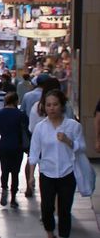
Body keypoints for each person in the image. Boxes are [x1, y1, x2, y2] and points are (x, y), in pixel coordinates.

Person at [29, 89, 86, 238]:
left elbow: (82, 147)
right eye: (48, 105)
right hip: (47, 173)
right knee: (47, 208)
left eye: (55, 104)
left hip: (67, 173)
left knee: (64, 210)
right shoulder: (40, 128)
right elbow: (34, 153)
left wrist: (68, 141)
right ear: (44, 107)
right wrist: (31, 176)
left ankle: (63, 235)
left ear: (62, 106)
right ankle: (49, 232)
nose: (51, 108)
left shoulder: (73, 126)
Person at [0, 92, 25, 208]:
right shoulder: (20, 114)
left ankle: (4, 190)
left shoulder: (0, 113)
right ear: (16, 101)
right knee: (15, 173)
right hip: (17, 146)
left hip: (4, 145)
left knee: (5, 170)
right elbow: (24, 129)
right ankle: (13, 198)